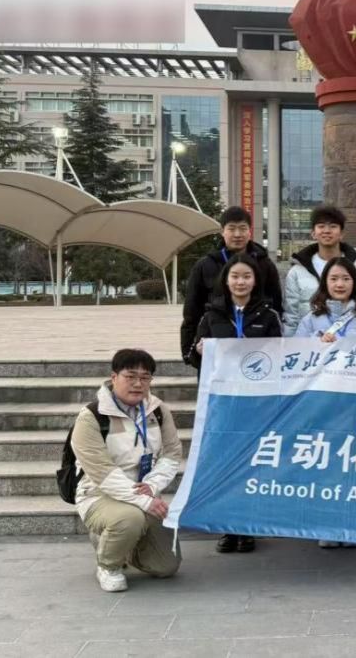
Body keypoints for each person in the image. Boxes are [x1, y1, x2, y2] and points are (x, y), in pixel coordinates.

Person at [190, 253, 283, 554]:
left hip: (256, 404)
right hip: (223, 404)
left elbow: (280, 355)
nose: (240, 282)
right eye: (235, 276)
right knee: (223, 465)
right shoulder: (211, 316)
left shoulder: (269, 316)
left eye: (246, 276)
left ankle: (248, 527)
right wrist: (200, 350)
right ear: (226, 280)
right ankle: (227, 527)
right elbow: (193, 356)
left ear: (255, 281)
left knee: (252, 465)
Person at [72, 348, 182, 592]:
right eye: (130, 376)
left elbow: (172, 453)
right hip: (99, 494)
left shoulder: (158, 410)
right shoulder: (92, 417)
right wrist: (144, 501)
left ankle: (122, 543)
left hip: (144, 491)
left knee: (166, 566)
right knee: (129, 519)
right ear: (114, 378)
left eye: (145, 377)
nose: (138, 384)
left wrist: (152, 485)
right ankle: (108, 565)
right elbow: (102, 472)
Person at [294, 256, 356, 549]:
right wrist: (315, 346)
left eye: (346, 278)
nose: (340, 284)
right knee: (325, 466)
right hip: (322, 405)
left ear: (355, 283)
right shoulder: (310, 321)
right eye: (334, 278)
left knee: (355, 466)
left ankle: (353, 526)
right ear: (325, 283)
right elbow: (296, 360)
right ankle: (327, 527)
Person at [180, 206, 282, 361]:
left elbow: (276, 304)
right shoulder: (205, 265)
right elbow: (191, 312)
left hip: (258, 351)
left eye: (243, 228)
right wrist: (190, 353)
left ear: (250, 231)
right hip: (216, 346)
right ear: (222, 231)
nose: (237, 234)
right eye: (231, 229)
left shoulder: (265, 264)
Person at [283, 204, 356, 336]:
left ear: (342, 233)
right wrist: (290, 344)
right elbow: (291, 316)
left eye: (333, 226)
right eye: (321, 226)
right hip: (310, 342)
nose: (327, 231)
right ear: (313, 233)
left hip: (353, 342)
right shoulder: (297, 272)